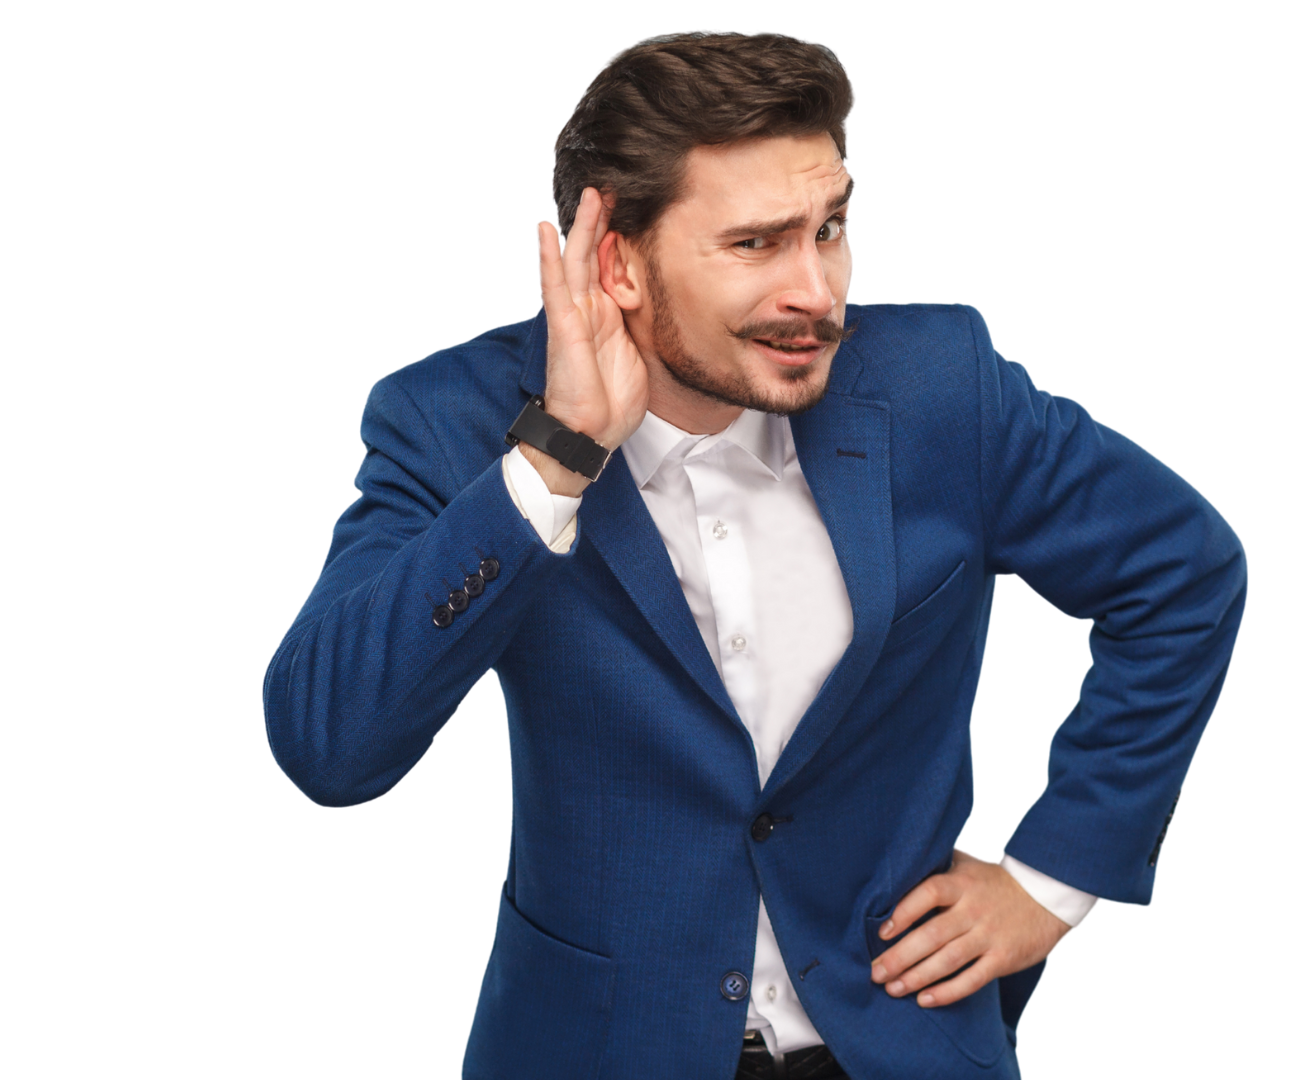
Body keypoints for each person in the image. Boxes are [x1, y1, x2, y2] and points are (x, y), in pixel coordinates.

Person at [263, 31, 1245, 1080]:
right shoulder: (453, 420)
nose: (816, 290)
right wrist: (552, 461)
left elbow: (1182, 571)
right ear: (617, 262)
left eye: (830, 229)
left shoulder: (941, 389)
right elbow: (330, 746)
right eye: (757, 245)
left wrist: (1053, 880)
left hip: (897, 1042)